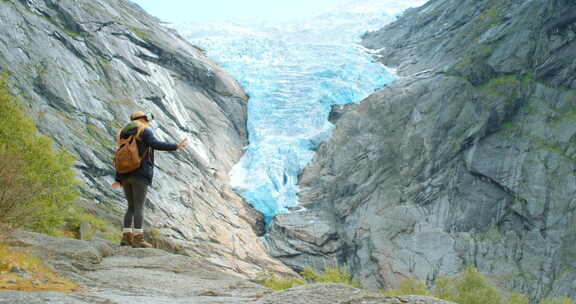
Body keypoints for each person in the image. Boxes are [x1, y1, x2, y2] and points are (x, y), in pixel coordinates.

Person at [112, 111, 188, 248]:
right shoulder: (144, 130)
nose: (149, 121)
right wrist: (176, 146)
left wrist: (118, 178)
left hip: (124, 174)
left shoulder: (123, 133)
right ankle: (138, 238)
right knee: (139, 206)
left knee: (130, 207)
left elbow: (120, 155)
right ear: (143, 119)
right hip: (140, 174)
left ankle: (126, 237)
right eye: (148, 119)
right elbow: (155, 144)